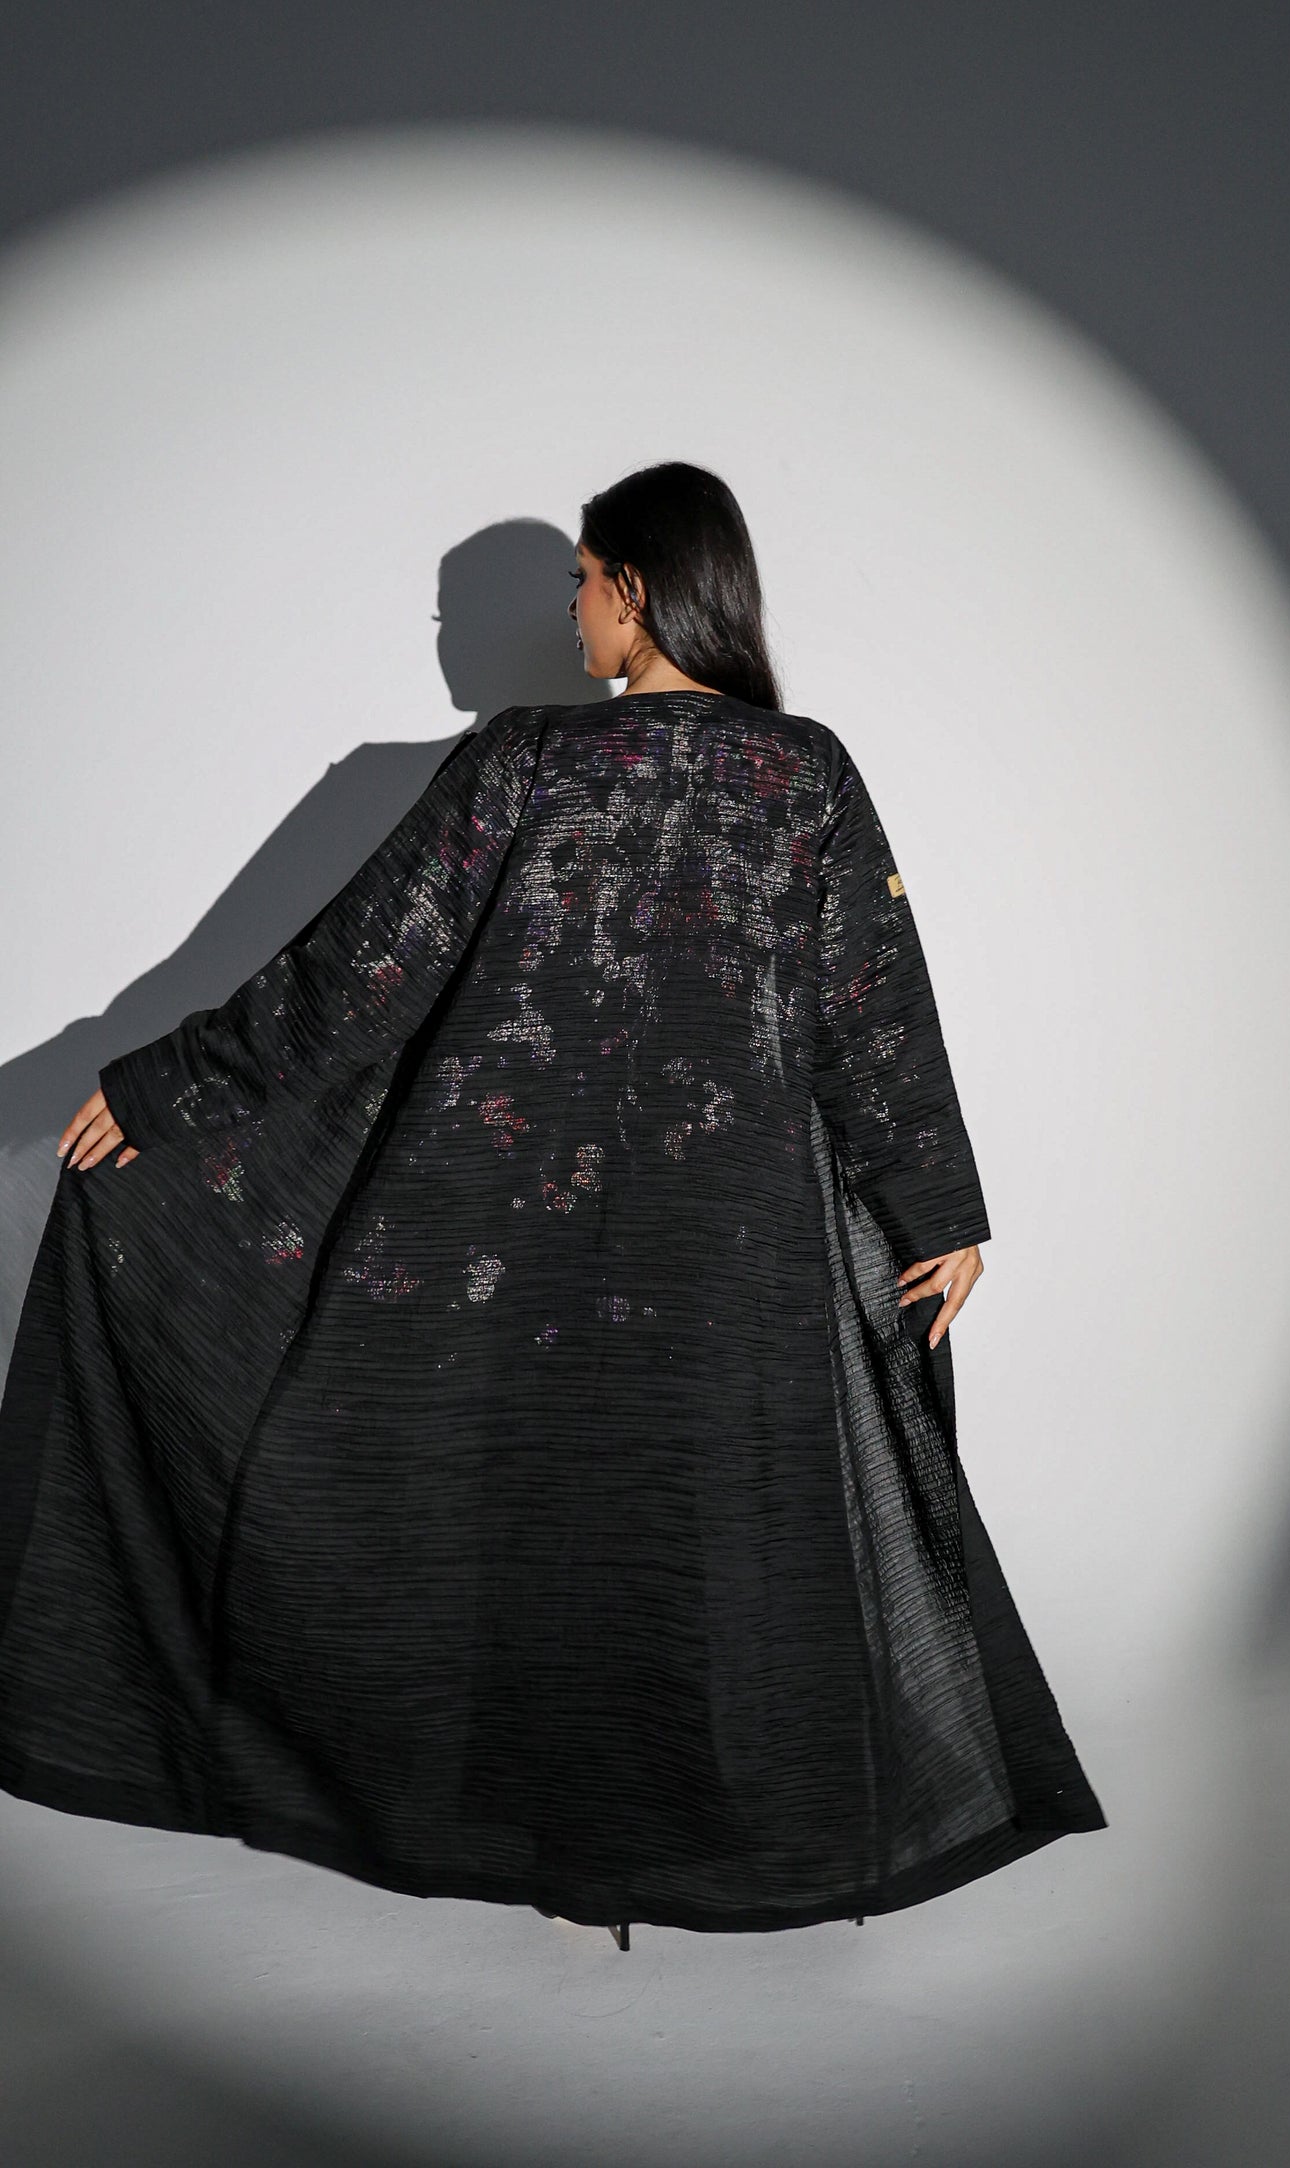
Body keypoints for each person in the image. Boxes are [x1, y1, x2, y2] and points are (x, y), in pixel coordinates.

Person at [0, 461, 1104, 1946]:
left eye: (581, 579)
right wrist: (938, 1208)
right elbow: (871, 1015)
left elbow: (355, 976)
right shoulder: (805, 773)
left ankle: (509, 1802)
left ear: (637, 588)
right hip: (734, 1247)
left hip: (508, 1233)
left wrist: (170, 1089)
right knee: (694, 1523)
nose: (565, 611)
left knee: (529, 1505)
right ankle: (693, 1822)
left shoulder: (528, 762)